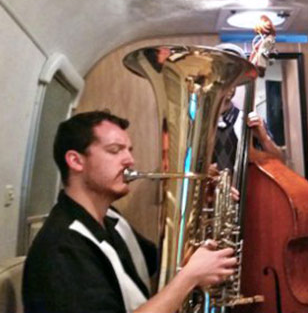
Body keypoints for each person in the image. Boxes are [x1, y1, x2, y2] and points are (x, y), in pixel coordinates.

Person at [22, 111, 237, 313]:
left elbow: (160, 263)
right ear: (76, 160)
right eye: (115, 150)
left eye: (129, 150)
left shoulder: (110, 217)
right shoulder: (62, 247)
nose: (129, 161)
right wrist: (190, 278)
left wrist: (198, 205)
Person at [212, 43, 285, 173]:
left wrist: (264, 138)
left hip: (249, 192)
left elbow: (280, 162)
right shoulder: (197, 124)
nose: (228, 83)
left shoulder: (249, 121)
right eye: (223, 76)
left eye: (234, 77)